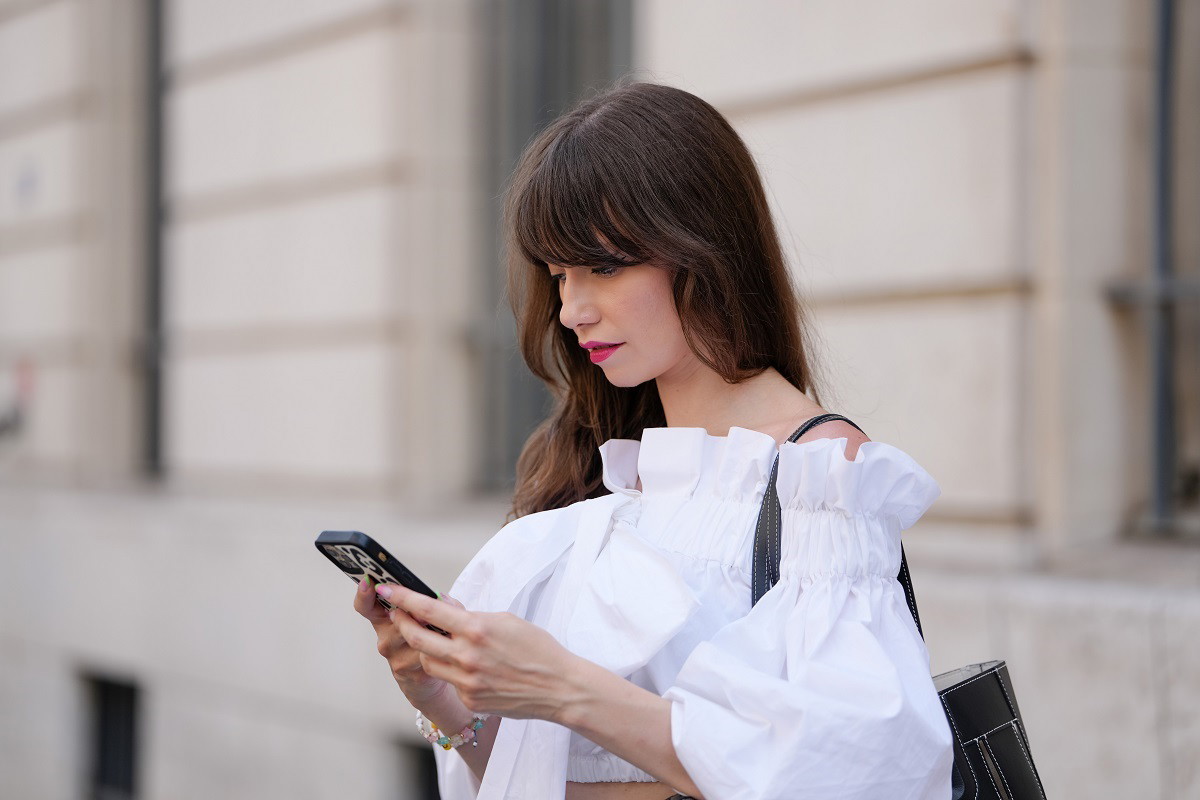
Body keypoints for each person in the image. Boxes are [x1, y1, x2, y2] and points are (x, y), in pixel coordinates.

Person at [352, 81, 954, 800]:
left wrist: (562, 686)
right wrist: (443, 701)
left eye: (603, 268)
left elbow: (853, 771)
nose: (572, 310)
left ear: (702, 248)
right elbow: (554, 783)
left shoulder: (817, 475)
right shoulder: (609, 471)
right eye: (559, 275)